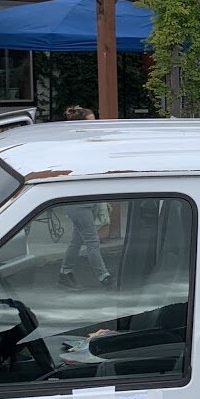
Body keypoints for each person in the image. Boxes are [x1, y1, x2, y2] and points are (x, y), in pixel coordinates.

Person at [59, 105, 111, 289]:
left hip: (88, 197)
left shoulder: (89, 143)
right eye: (91, 121)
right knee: (92, 240)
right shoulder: (75, 147)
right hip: (79, 199)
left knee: (78, 239)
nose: (95, 125)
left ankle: (65, 272)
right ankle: (104, 277)